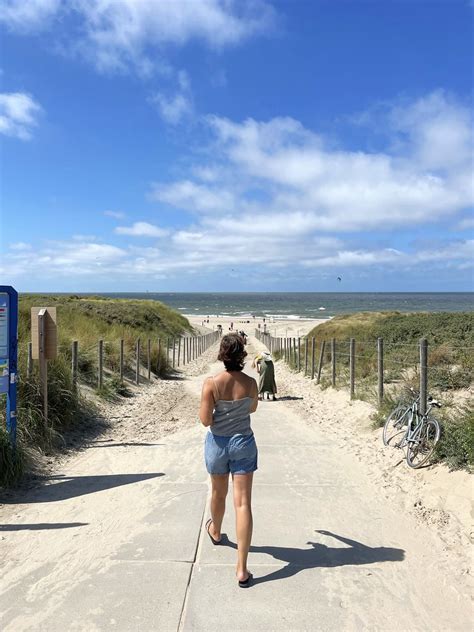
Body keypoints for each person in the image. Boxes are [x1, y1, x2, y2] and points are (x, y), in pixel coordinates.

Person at [199, 334, 259, 587]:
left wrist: (218, 410)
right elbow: (252, 409)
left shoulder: (211, 383)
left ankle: (215, 530)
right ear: (242, 355)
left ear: (222, 355)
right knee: (243, 503)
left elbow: (205, 420)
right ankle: (241, 569)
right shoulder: (251, 383)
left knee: (218, 493)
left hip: (219, 444)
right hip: (243, 443)